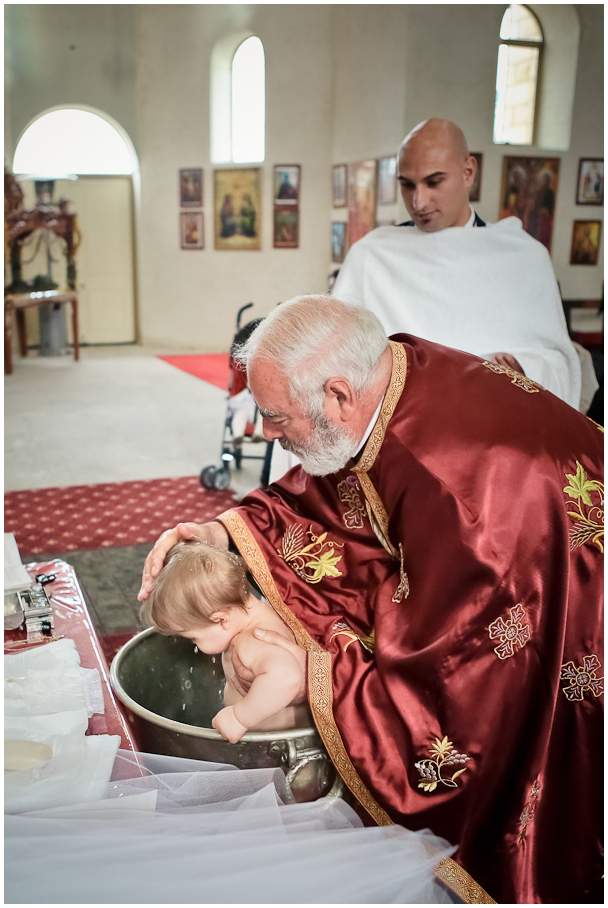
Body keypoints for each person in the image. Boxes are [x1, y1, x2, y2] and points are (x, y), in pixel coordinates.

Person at [139, 295, 603, 905]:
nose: (268, 435)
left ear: (337, 395)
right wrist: (223, 530)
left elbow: (463, 665)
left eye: (276, 416)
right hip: (501, 549)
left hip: (562, 605)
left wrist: (324, 674)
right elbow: (341, 482)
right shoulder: (392, 370)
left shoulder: (457, 495)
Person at [332, 118, 583, 410]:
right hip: (400, 429)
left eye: (434, 182)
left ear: (468, 172)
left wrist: (525, 368)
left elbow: (560, 361)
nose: (418, 201)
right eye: (407, 185)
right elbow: (338, 356)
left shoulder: (524, 258)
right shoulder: (372, 256)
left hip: (497, 423)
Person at [141, 541, 309, 743]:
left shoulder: (251, 640)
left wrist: (240, 717)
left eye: (194, 638)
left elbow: (286, 677)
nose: (194, 645)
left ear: (221, 620)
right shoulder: (267, 609)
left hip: (275, 744)